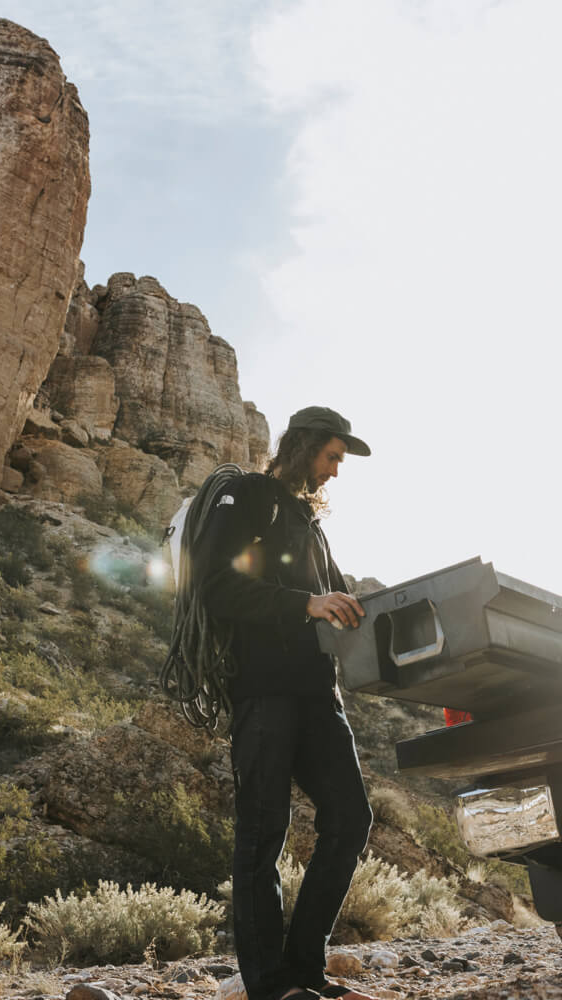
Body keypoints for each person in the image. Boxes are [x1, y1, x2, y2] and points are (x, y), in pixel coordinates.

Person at [193, 405, 379, 1000]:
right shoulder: (252, 496)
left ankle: (305, 971)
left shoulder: (309, 522)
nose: (333, 471)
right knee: (263, 833)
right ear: (302, 448)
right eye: (330, 457)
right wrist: (307, 603)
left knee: (350, 819)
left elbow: (339, 604)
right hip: (264, 692)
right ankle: (269, 988)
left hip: (318, 693)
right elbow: (215, 584)